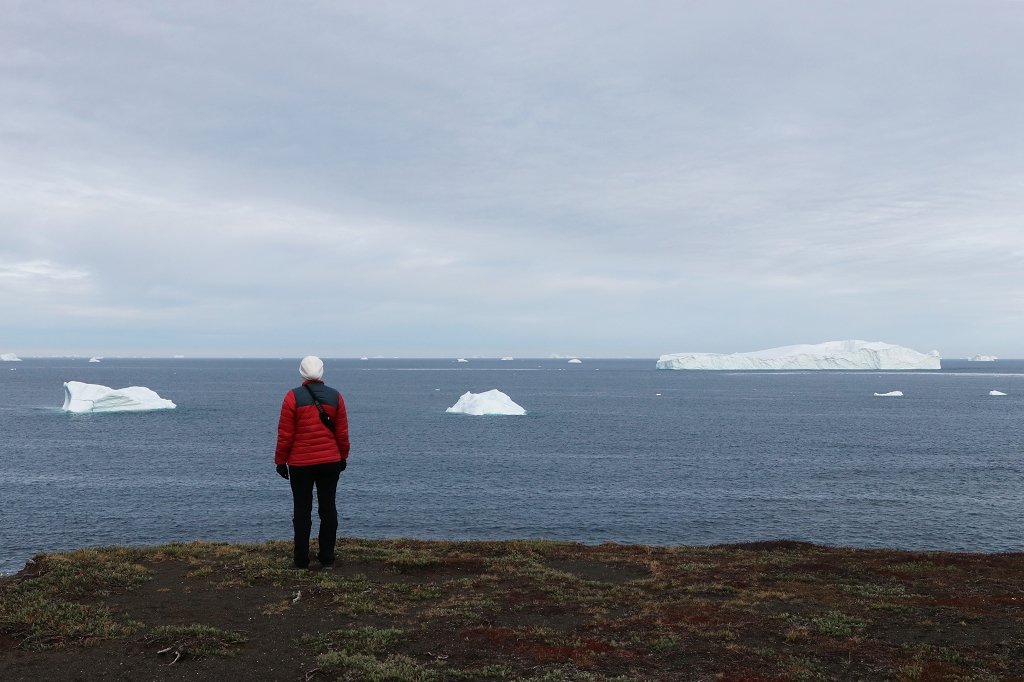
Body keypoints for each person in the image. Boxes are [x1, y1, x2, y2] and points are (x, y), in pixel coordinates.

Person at [275, 356, 350, 569]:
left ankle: (301, 561)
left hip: (300, 463)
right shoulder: (336, 396)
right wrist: (343, 456)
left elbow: (285, 435)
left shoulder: (292, 397)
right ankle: (327, 559)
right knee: (328, 509)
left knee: (302, 510)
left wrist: (280, 461)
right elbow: (342, 433)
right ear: (322, 371)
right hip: (330, 461)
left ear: (302, 372)